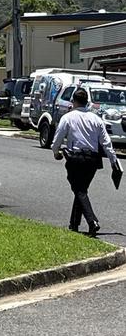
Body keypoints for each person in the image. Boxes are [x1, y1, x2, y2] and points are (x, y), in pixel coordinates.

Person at [51, 88, 118, 236]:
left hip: (75, 158)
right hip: (92, 160)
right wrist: (114, 161)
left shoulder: (68, 117)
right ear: (87, 102)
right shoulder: (96, 119)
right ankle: (74, 224)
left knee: (79, 190)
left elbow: (57, 139)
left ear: (73, 101)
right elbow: (106, 142)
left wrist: (56, 152)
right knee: (81, 191)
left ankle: (92, 221)